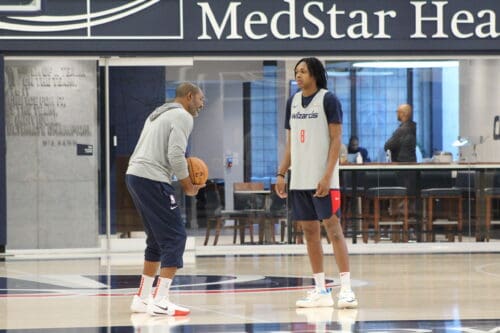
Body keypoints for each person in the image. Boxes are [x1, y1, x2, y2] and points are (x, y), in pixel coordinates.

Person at [275, 57, 358, 309]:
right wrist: (281, 174)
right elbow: (291, 143)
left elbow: (336, 140)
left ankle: (346, 289)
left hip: (325, 181)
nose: (298, 76)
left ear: (315, 74)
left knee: (334, 230)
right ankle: (321, 290)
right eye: (296, 72)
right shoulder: (293, 102)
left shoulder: (329, 100)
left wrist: (326, 175)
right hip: (299, 180)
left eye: (303, 71)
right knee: (309, 233)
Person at [126, 82, 205, 317]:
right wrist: (189, 186)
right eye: (201, 99)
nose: (202, 104)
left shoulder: (158, 112)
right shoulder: (182, 116)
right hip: (151, 178)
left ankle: (142, 298)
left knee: (156, 241)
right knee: (176, 237)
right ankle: (160, 300)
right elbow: (175, 154)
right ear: (189, 97)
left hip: (134, 175)